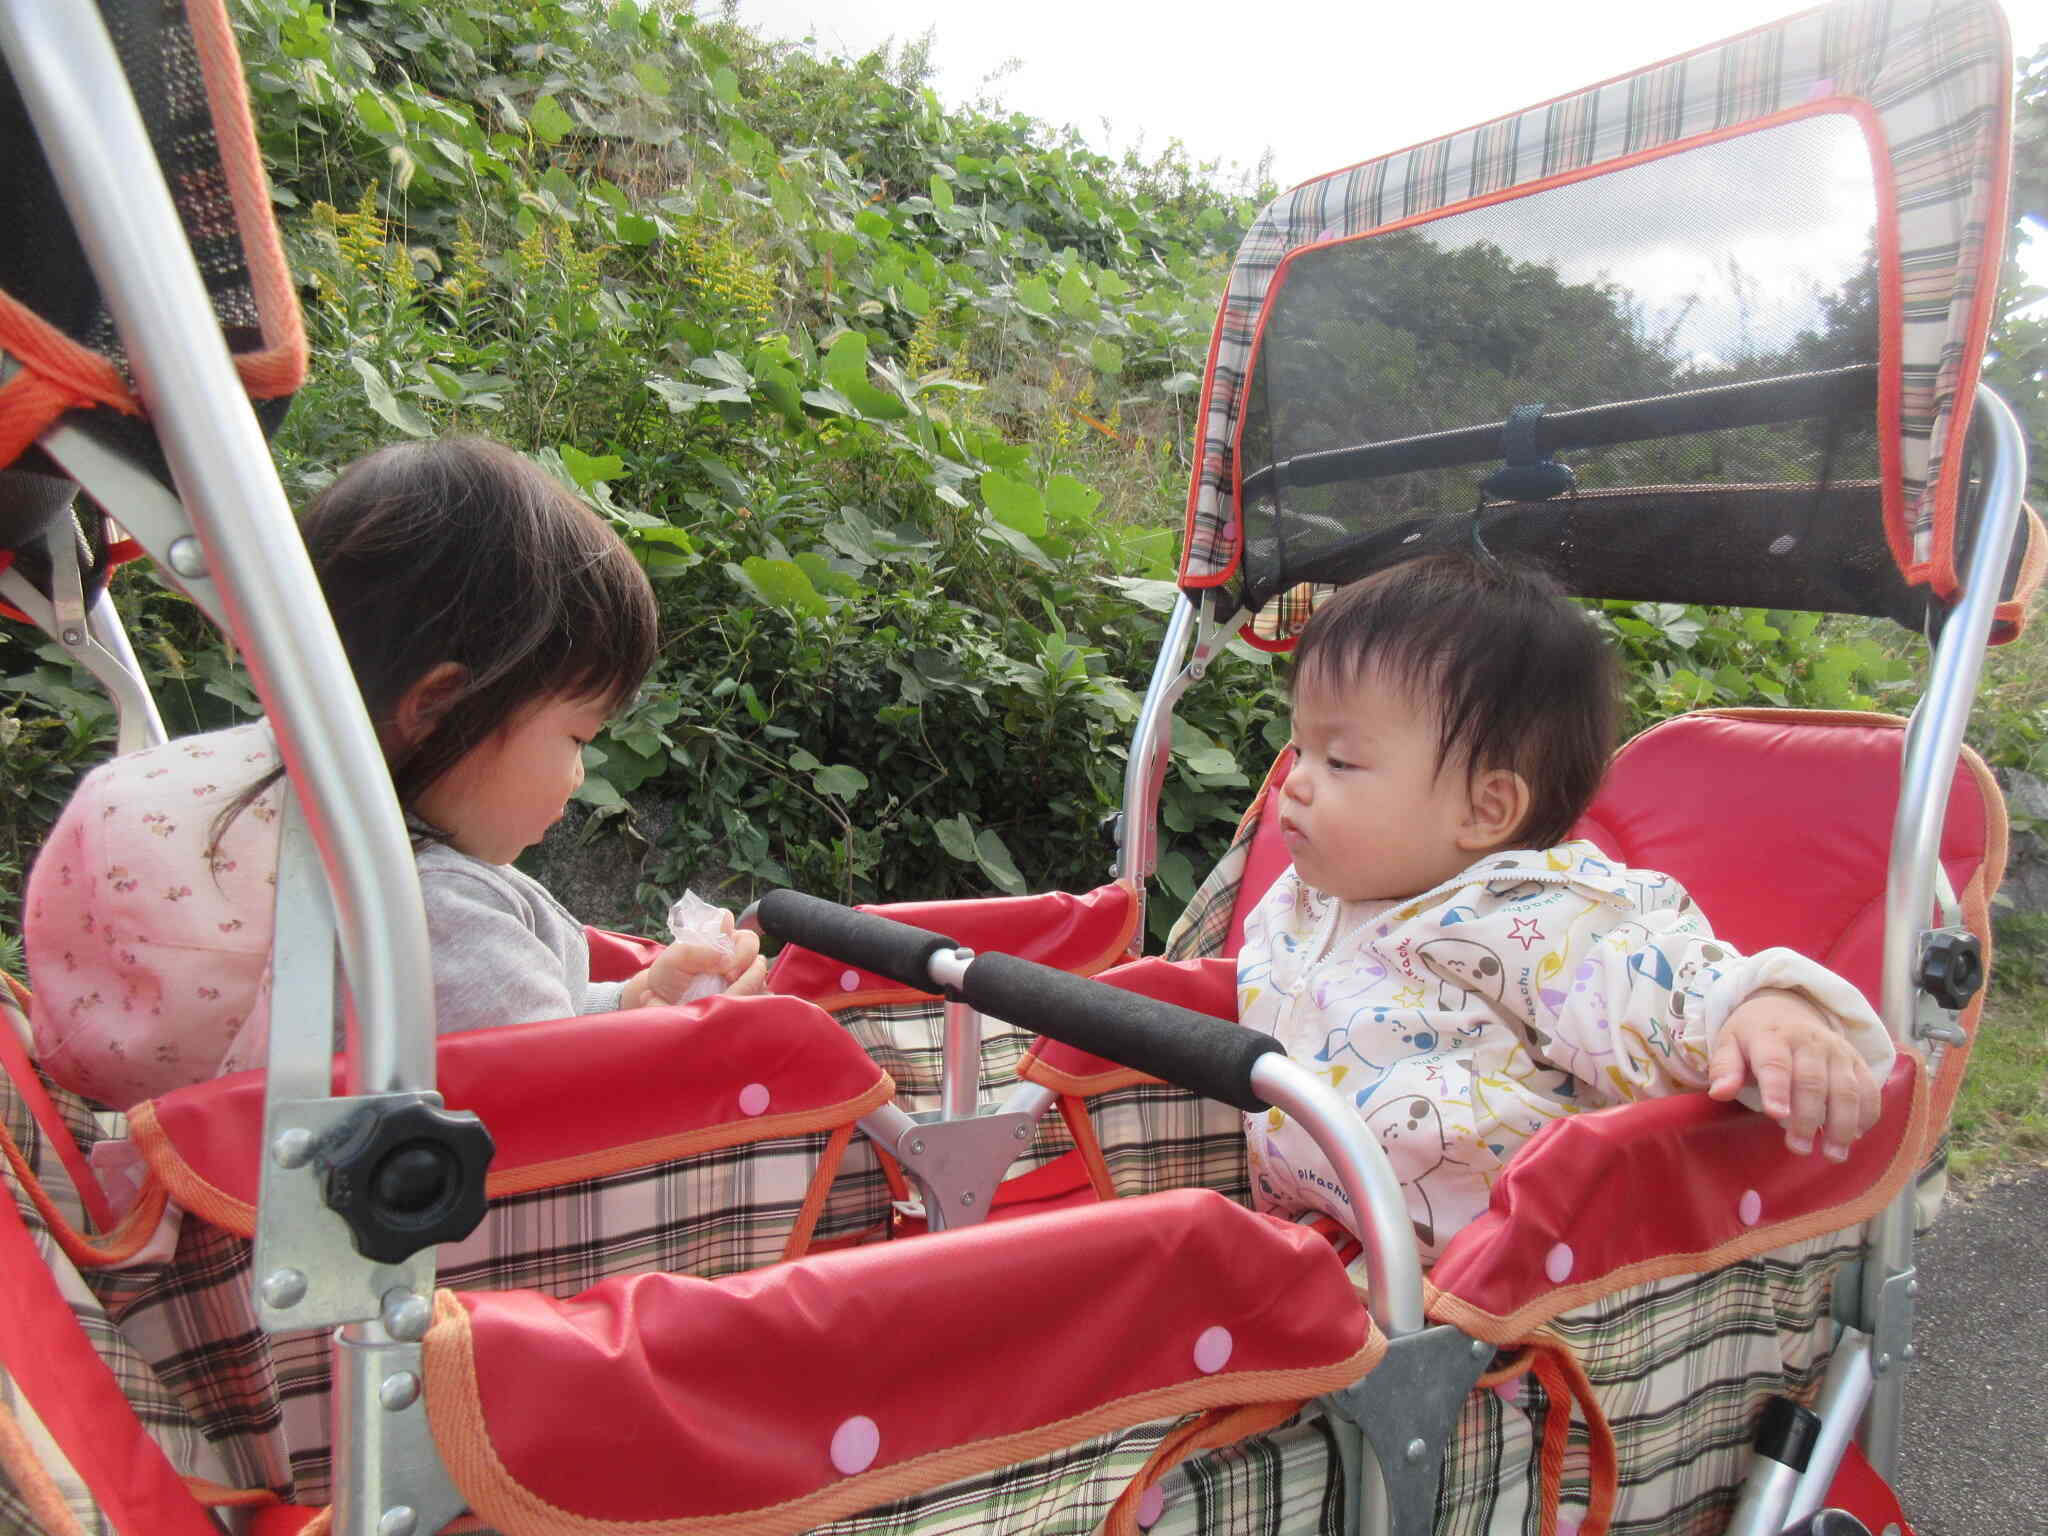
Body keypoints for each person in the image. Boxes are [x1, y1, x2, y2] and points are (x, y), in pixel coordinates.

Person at [25, 436, 761, 1110]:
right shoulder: (429, 917)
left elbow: (499, 1034)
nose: (578, 776)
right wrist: (705, 1045)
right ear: (437, 702)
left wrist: (632, 1005)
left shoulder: (262, 820)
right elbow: (571, 1109)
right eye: (578, 738)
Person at [1239, 550, 1894, 1261]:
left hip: (1482, 1275)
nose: (1294, 783)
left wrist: (1762, 1008)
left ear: (1486, 808)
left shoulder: (1539, 917)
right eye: (1299, 748)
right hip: (1316, 1226)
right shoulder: (1307, 899)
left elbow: (1657, 979)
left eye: (1338, 761)